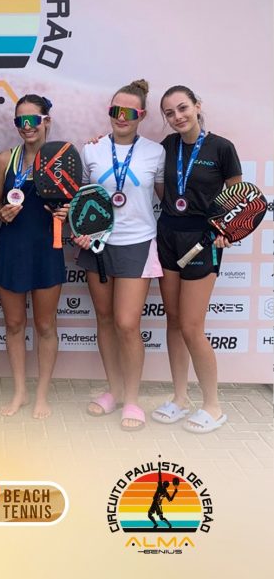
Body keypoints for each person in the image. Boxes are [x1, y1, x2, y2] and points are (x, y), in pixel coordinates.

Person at [75, 80, 165, 431]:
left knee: (127, 323)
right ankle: (113, 391)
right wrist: (79, 230)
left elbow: (166, 198)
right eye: (115, 110)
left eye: (129, 112)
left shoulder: (156, 152)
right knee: (105, 319)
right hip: (97, 243)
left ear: (142, 115)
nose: (121, 117)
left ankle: (132, 399)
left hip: (137, 243)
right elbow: (84, 198)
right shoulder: (91, 149)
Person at [152, 85, 242, 433]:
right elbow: (162, 189)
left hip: (203, 240)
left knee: (191, 326)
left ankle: (213, 406)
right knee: (174, 321)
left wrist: (226, 231)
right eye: (170, 112)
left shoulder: (222, 148)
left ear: (197, 106)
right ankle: (179, 398)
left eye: (183, 108)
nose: (177, 116)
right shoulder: (167, 147)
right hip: (168, 235)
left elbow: (239, 199)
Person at [0, 95, 66, 419]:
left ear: (46, 120)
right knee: (14, 324)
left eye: (32, 120)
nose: (26, 126)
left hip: (48, 248)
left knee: (45, 325)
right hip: (12, 248)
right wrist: (1, 213)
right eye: (20, 121)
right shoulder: (4, 159)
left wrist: (66, 212)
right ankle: (20, 391)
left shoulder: (62, 159)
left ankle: (42, 395)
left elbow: (73, 204)